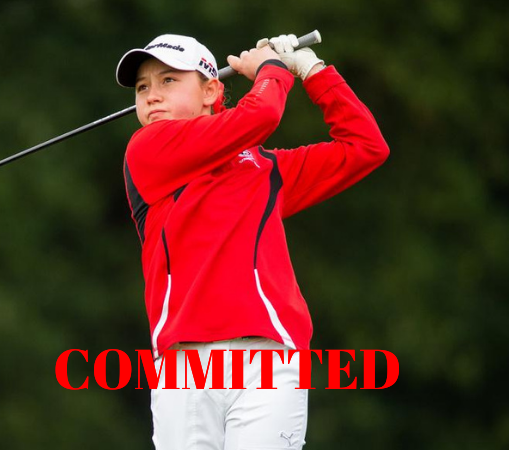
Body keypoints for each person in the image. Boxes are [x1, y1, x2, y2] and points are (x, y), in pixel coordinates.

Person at [115, 33, 389, 450]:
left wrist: (313, 71)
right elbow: (260, 115)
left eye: (168, 80)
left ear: (211, 91)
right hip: (184, 365)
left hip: (269, 359)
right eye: (142, 87)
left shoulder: (264, 170)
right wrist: (270, 68)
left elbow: (365, 146)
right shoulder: (147, 148)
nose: (151, 95)